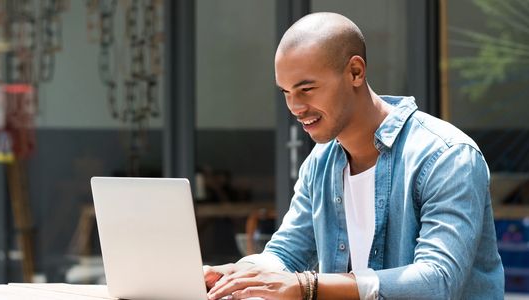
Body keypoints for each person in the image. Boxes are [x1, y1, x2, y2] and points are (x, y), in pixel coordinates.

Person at [204, 12, 504, 300]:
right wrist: (239, 274)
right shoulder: (320, 164)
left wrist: (307, 286)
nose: (295, 106)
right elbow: (286, 254)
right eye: (285, 92)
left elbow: (438, 281)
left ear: (355, 72)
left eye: (306, 89)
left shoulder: (446, 156)